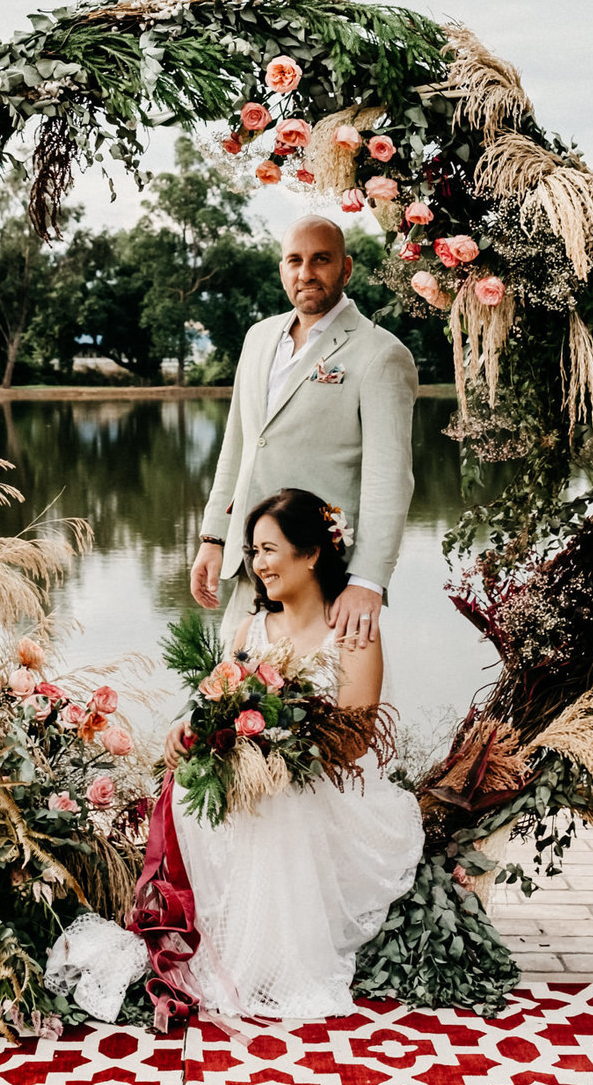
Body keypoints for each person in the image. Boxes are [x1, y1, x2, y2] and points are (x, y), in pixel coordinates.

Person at [162, 488, 424, 1018]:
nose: (258, 565)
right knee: (194, 789)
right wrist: (189, 730)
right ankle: (225, 936)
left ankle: (276, 959)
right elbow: (218, 702)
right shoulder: (251, 629)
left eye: (269, 550)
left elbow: (354, 742)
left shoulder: (352, 633)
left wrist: (280, 749)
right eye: (254, 551)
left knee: (280, 805)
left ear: (311, 553)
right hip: (258, 780)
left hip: (330, 792)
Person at [190, 215, 419, 649]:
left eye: (321, 259)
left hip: (322, 575)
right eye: (294, 260)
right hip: (251, 563)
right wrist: (213, 538)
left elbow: (389, 478)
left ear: (346, 268)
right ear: (282, 269)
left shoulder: (382, 354)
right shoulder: (257, 339)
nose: (306, 273)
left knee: (314, 706)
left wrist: (368, 580)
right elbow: (237, 447)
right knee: (228, 697)